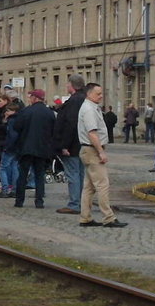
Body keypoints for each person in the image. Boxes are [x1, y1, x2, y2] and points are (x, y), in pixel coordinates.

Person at [78, 83, 126, 228]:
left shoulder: (92, 107)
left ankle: (85, 217)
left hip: (88, 149)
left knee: (89, 187)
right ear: (89, 94)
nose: (101, 96)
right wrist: (101, 152)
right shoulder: (89, 109)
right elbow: (92, 133)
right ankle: (108, 217)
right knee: (102, 185)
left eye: (101, 93)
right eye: (98, 93)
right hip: (92, 150)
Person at [12, 89, 55, 209]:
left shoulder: (26, 111)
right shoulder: (49, 113)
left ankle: (19, 201)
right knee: (39, 175)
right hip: (42, 148)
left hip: (26, 147)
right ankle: (39, 201)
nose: (29, 99)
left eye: (30, 97)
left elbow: (16, 126)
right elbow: (53, 131)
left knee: (22, 174)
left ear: (35, 98)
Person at [53, 73, 86, 216]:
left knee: (73, 175)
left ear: (72, 85)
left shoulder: (74, 101)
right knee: (80, 174)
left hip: (72, 145)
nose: (66, 85)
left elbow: (71, 124)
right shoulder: (84, 99)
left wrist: (64, 145)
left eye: (68, 83)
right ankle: (81, 202)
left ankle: (74, 204)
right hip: (82, 143)